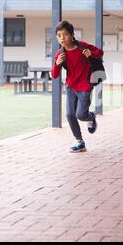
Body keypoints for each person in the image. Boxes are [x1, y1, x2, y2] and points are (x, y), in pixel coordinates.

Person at [51, 21, 104, 153]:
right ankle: (79, 141)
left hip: (85, 86)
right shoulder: (60, 53)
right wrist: (57, 64)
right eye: (59, 35)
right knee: (70, 114)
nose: (62, 38)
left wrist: (91, 54)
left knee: (80, 114)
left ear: (72, 35)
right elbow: (54, 75)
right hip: (70, 86)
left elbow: (100, 52)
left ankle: (91, 117)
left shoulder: (82, 46)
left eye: (65, 35)